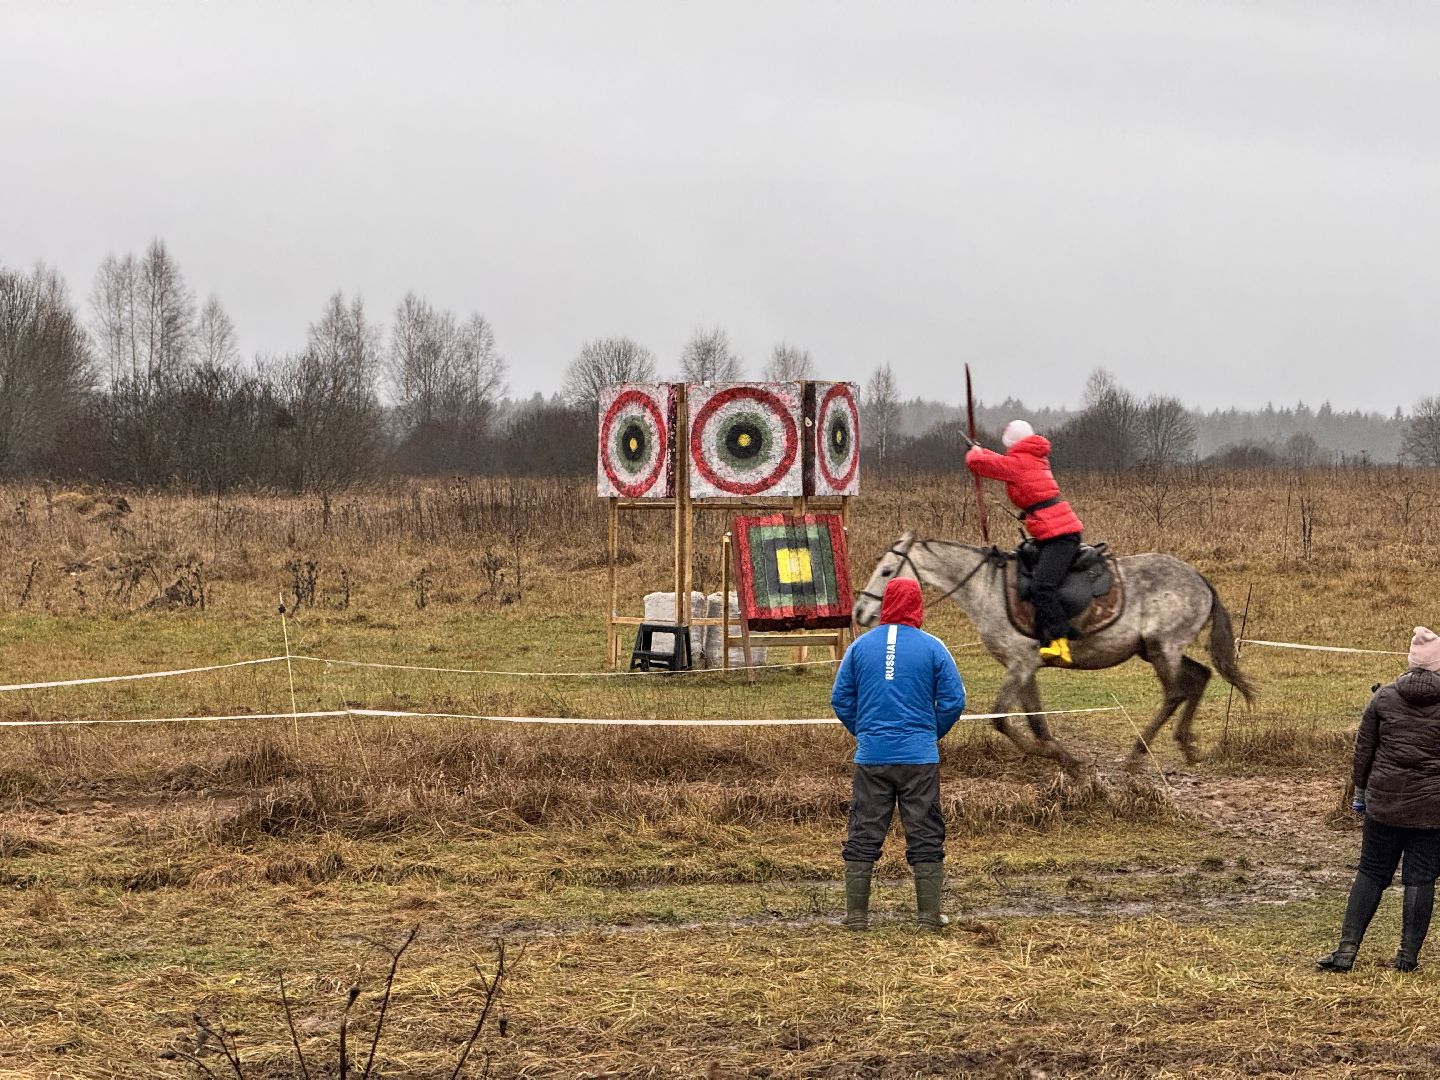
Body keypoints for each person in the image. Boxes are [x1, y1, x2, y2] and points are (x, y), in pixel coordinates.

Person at [830, 577, 966, 930]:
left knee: (864, 829)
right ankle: (929, 917)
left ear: (885, 604)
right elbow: (954, 700)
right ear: (918, 605)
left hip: (872, 757)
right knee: (925, 830)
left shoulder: (860, 647)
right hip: (919, 759)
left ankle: (857, 918)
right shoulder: (934, 646)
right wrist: (928, 734)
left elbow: (840, 699)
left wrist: (866, 732)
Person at [1318, 627, 1440, 972]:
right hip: (1433, 808)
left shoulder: (1383, 697)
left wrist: (1360, 794)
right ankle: (1407, 958)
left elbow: (1363, 753)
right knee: (1420, 878)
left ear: (1411, 661)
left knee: (1371, 872)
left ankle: (1345, 951)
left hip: (1385, 803)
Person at [965, 420, 1085, 666]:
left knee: (1043, 584)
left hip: (1059, 535)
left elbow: (982, 465)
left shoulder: (1021, 462)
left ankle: (1059, 640)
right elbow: (1000, 462)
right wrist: (981, 450)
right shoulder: (1032, 457)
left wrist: (975, 454)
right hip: (1052, 531)